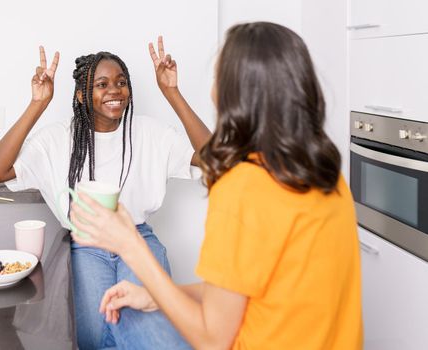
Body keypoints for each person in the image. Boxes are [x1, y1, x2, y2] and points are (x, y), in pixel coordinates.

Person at [70, 22, 363, 349]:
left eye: (217, 77)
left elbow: (212, 340)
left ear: (233, 94)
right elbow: (247, 290)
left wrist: (131, 246)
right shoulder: (324, 172)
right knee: (132, 308)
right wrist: (155, 294)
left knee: (126, 322)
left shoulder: (243, 187)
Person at [0, 38, 210, 349]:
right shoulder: (58, 139)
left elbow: (217, 160)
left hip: (138, 237)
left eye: (121, 82)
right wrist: (38, 104)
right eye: (102, 84)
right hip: (84, 244)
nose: (115, 91)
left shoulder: (150, 133)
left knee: (142, 325)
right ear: (82, 94)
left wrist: (172, 93)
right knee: (95, 336)